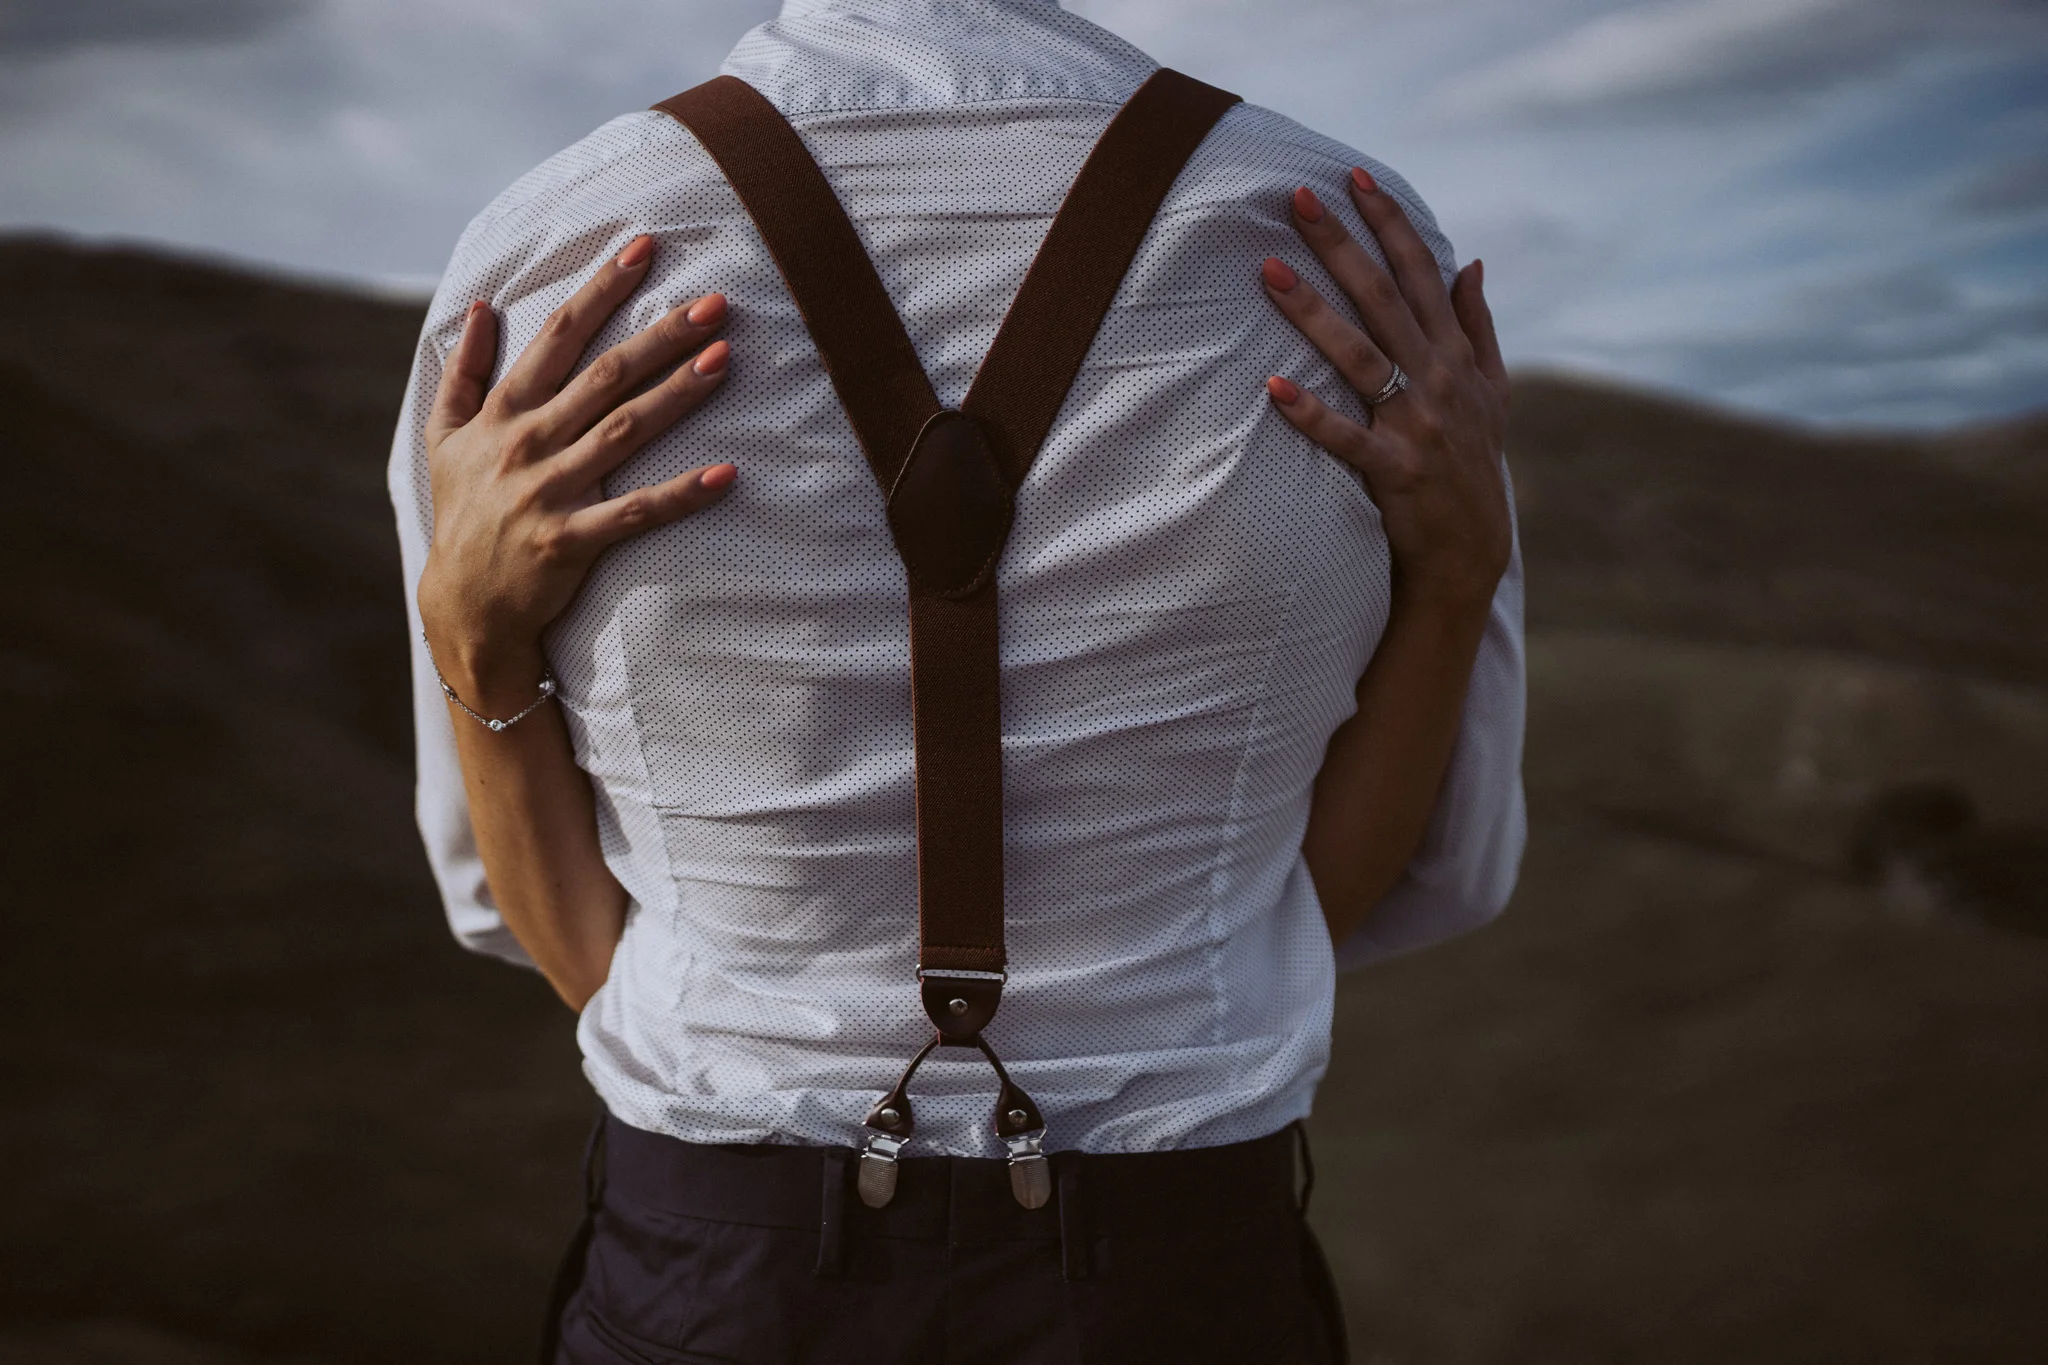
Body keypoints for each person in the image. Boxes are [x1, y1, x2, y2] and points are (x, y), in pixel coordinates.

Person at [388, 1, 1523, 1360]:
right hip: (1182, 1276)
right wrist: (1457, 585)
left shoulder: (547, 251)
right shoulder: (1345, 242)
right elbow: (1435, 872)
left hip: (714, 1278)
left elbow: (522, 913)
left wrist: (471, 641)